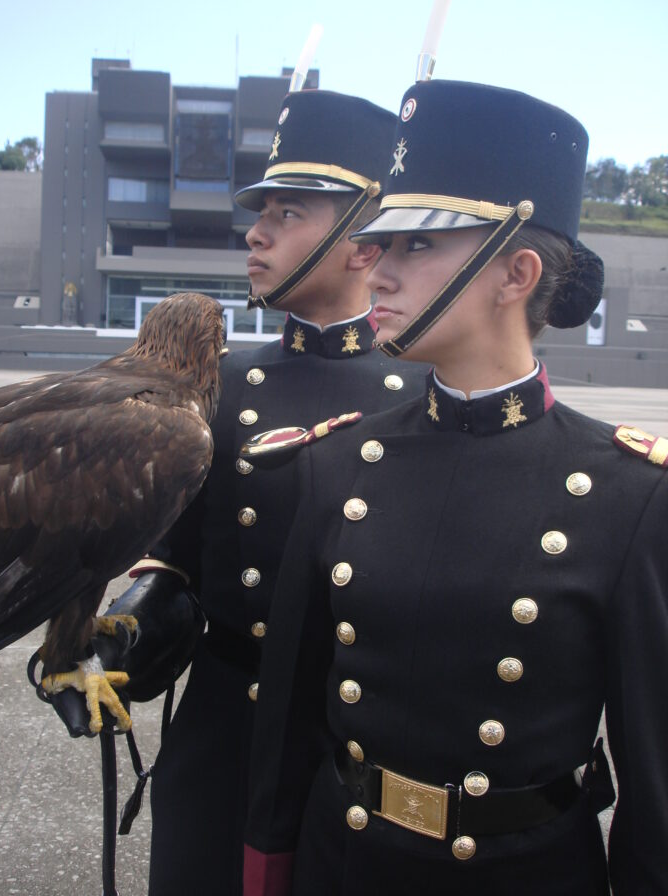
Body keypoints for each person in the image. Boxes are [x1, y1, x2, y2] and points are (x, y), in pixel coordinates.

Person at [242, 80, 668, 896]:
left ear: (516, 272)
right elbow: (288, 732)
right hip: (348, 865)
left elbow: (655, 775)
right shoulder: (336, 465)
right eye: (378, 246)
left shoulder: (628, 493)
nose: (378, 273)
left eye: (415, 247)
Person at [142, 87, 428, 895]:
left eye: (289, 212)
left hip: (356, 739)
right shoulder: (216, 381)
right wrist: (132, 629)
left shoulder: (420, 399)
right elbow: (176, 558)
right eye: (260, 209)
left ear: (363, 244)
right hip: (225, 725)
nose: (256, 233)